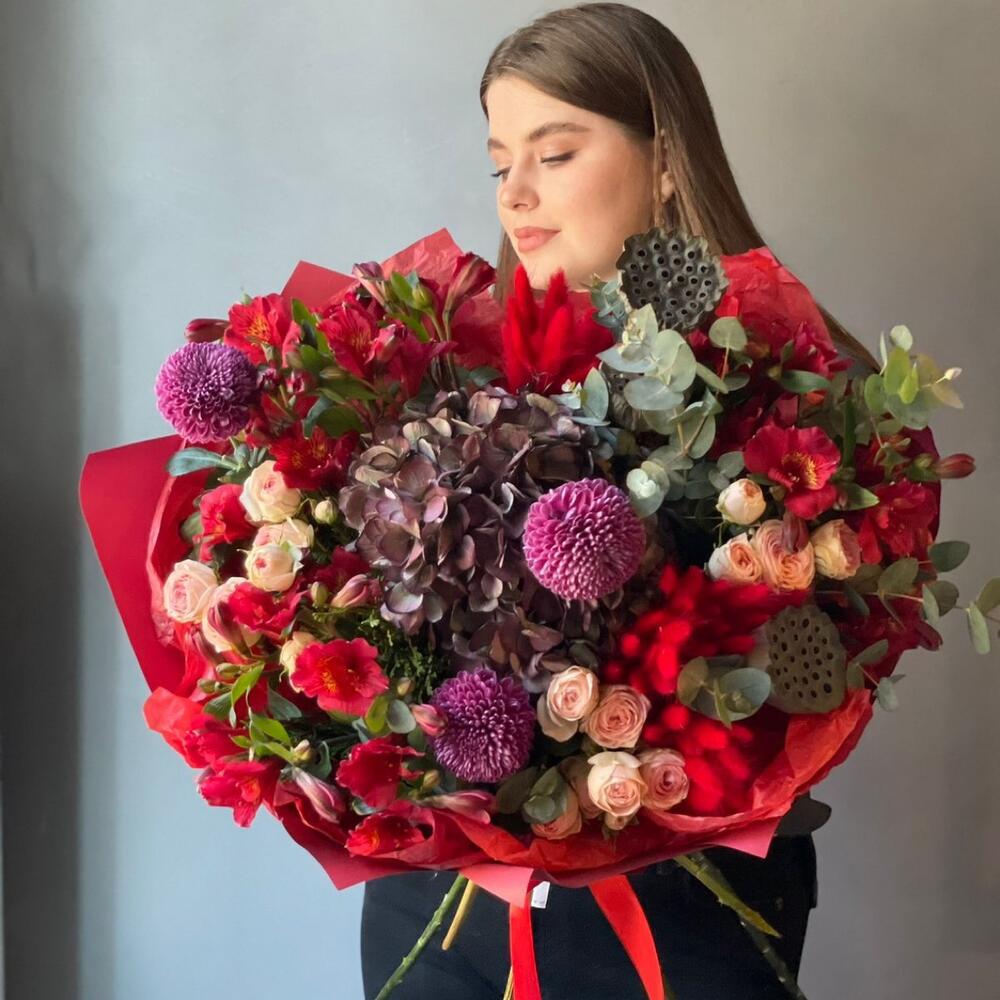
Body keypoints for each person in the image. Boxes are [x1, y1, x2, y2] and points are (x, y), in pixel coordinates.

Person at [362, 5, 875, 997]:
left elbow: (813, 679)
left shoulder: (797, 403)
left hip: (686, 912)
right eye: (499, 162)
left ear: (667, 160)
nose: (516, 192)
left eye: (554, 153)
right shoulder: (443, 385)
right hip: (442, 908)